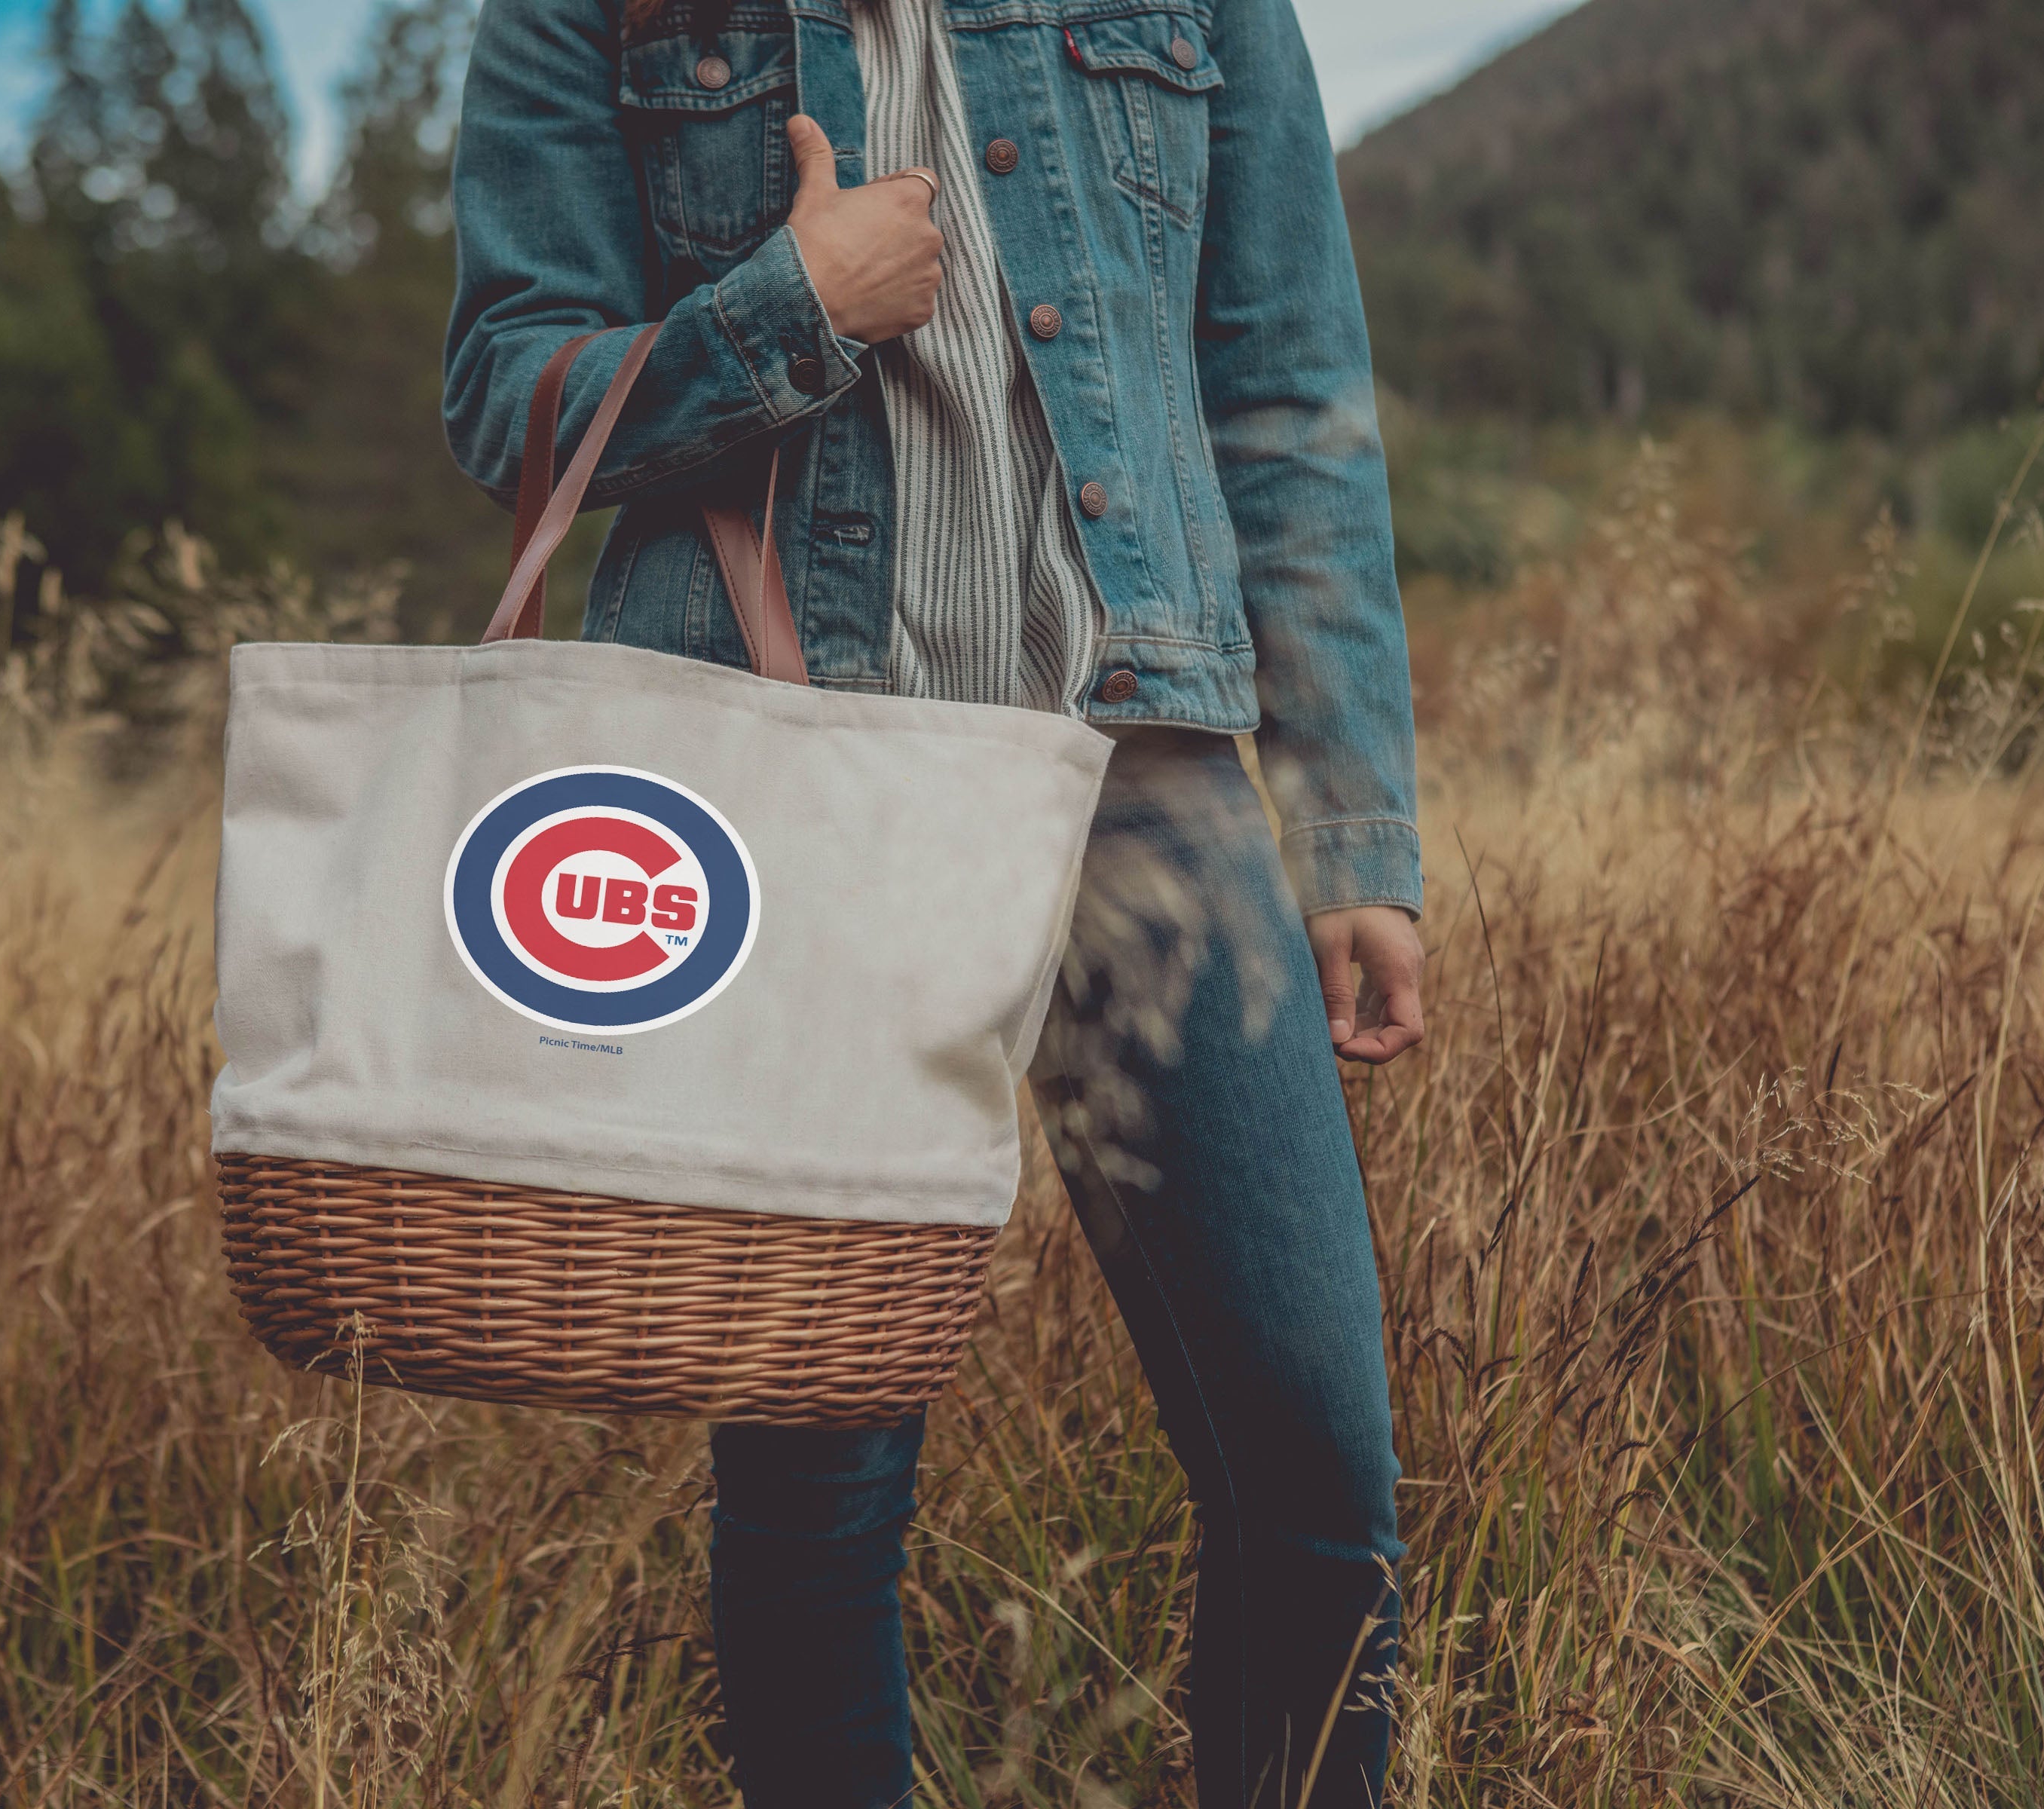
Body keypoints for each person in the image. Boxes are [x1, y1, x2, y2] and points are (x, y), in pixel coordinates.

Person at [445, 0, 1425, 1800]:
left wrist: (1352, 821)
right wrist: (788, 310)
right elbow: (508, 391)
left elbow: (1287, 390)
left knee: (1316, 1477)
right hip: (799, 791)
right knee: (818, 1503)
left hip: (1145, 780)